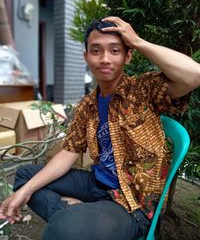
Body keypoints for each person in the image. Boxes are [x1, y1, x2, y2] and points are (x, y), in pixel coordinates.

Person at [0, 16, 200, 240]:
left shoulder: (142, 90)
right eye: (96, 50)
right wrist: (24, 192)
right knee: (25, 178)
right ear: (86, 57)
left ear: (128, 56)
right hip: (97, 184)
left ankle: (74, 219)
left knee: (64, 229)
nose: (105, 59)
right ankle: (76, 216)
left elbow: (195, 75)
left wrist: (138, 41)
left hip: (133, 203)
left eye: (115, 50)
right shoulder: (88, 105)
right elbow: (69, 152)